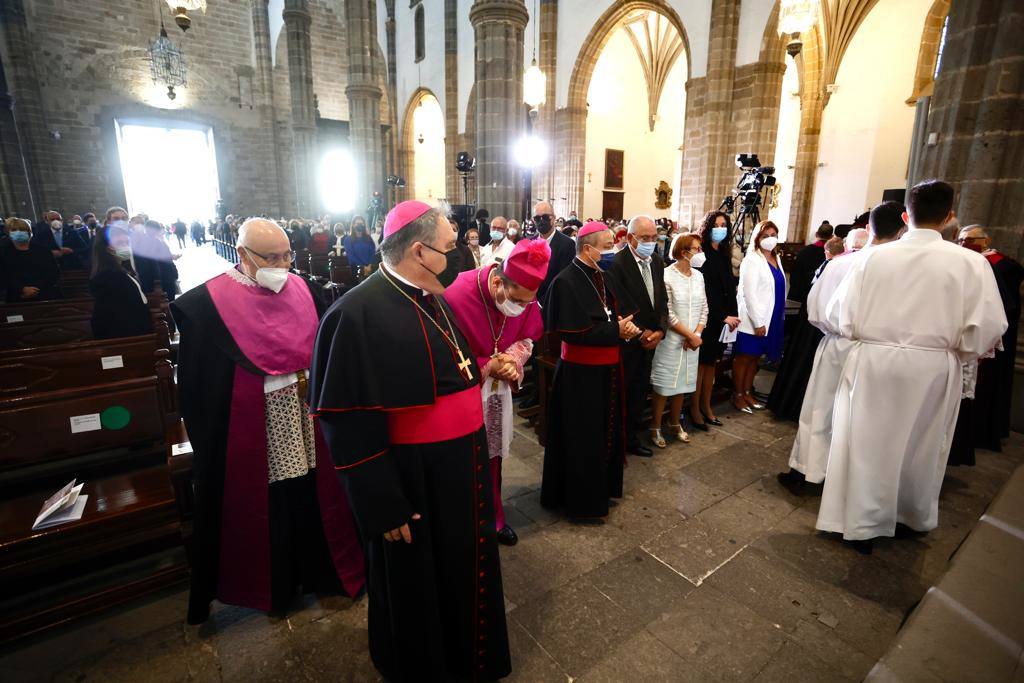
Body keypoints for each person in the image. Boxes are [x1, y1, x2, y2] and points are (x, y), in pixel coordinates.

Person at [309, 201, 511, 681]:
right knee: (418, 579)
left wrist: (484, 371)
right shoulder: (354, 314)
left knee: (462, 566)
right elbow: (345, 421)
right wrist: (381, 503)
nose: (460, 256)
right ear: (419, 251)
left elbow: (447, 372)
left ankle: (468, 657)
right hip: (411, 479)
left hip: (460, 468)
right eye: (450, 247)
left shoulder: (431, 295)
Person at [170, 218, 364, 624]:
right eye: (272, 258)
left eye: (287, 255)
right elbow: (199, 385)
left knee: (312, 486)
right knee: (272, 497)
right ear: (243, 254)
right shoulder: (206, 306)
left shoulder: (303, 289)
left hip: (306, 413)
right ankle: (276, 583)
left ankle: (321, 569)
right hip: (255, 424)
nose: (283, 265)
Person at [815, 181, 1006, 551]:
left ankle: (861, 522)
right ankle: (909, 515)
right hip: (934, 366)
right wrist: (956, 352)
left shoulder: (872, 258)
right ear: (949, 217)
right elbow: (989, 326)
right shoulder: (972, 263)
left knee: (866, 442)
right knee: (923, 444)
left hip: (873, 361)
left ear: (905, 216)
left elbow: (838, 313)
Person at [779, 201, 905, 493]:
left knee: (820, 410)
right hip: (881, 352)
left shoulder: (840, 264)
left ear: (868, 228)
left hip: (838, 343)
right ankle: (849, 482)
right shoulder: (902, 269)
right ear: (902, 229)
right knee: (864, 417)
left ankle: (809, 473)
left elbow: (814, 309)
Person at [445, 239, 550, 546]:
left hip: (495, 393)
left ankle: (494, 518)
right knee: (462, 461)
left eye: (527, 303)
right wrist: (488, 364)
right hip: (461, 394)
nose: (520, 308)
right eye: (516, 300)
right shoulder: (456, 293)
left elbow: (528, 338)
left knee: (491, 459)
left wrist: (513, 360)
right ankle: (463, 525)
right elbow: (442, 352)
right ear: (497, 282)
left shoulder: (524, 300)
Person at [541, 221, 640, 522]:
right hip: (580, 377)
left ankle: (602, 490)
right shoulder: (565, 282)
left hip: (608, 371)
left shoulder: (603, 275)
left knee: (605, 433)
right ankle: (581, 504)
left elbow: (618, 313)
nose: (612, 250)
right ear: (587, 248)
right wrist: (617, 331)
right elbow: (575, 333)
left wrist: (626, 327)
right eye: (608, 246)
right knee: (582, 439)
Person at [957, 225, 1024, 450]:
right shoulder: (961, 261)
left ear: (986, 241)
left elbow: (1004, 309)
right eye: (961, 240)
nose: (964, 244)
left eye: (970, 239)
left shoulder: (1005, 266)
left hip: (986, 336)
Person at [610, 215, 668, 457]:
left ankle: (632, 439)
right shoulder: (617, 263)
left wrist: (661, 330)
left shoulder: (657, 261)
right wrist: (641, 333)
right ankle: (616, 442)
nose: (651, 242)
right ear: (630, 238)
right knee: (622, 393)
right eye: (645, 238)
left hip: (652, 339)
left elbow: (662, 300)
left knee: (639, 391)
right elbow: (618, 304)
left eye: (654, 237)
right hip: (629, 340)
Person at [767, 223, 832, 420]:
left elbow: (795, 277)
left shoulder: (805, 252)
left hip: (801, 301)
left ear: (817, 234)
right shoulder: (826, 259)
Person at [649, 234, 708, 447]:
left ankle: (675, 423)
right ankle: (655, 426)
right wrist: (689, 335)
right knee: (664, 386)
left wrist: (697, 335)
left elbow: (704, 308)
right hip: (672, 340)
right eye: (697, 249)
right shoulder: (667, 276)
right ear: (684, 252)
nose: (700, 253)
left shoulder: (698, 276)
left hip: (693, 341)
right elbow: (668, 312)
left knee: (683, 384)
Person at [690, 212, 739, 429]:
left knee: (712, 364)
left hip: (723, 318)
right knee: (701, 365)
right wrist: (721, 315)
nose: (720, 229)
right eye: (716, 225)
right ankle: (694, 408)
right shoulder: (702, 253)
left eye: (724, 225)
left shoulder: (724, 252)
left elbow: (729, 287)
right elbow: (705, 291)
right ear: (708, 227)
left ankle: (706, 405)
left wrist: (733, 314)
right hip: (708, 317)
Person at [732, 221, 784, 413]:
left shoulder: (776, 258)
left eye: (773, 235)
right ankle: (738, 395)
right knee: (744, 357)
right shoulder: (752, 259)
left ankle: (747, 392)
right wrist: (758, 322)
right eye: (765, 236)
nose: (770, 239)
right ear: (757, 238)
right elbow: (749, 294)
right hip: (753, 320)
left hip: (771, 318)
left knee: (755, 358)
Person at [88, 221, 153, 339]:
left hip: (137, 332)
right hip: (126, 336)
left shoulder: (121, 270)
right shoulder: (107, 276)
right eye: (119, 243)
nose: (125, 247)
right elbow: (115, 314)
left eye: (127, 242)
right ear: (107, 248)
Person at [1, 218, 62, 303]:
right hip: (16, 296)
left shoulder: (43, 250)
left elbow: (53, 273)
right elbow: (3, 276)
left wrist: (35, 290)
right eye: (14, 230)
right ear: (8, 233)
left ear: (29, 232)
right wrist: (22, 289)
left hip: (45, 294)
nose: (18, 232)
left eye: (22, 230)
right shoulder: (3, 252)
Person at [134, 220, 180, 302]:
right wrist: (157, 282)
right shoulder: (149, 242)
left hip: (165, 277)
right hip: (162, 279)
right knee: (168, 301)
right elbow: (150, 264)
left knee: (169, 300)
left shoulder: (155, 240)